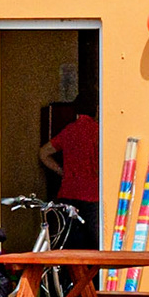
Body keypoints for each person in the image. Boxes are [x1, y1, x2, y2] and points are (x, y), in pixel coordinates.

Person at [39, 99, 101, 250]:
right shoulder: (98, 131)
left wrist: (61, 171)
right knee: (94, 244)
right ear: (96, 110)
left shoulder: (69, 130)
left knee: (69, 243)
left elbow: (44, 153)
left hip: (68, 193)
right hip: (93, 195)